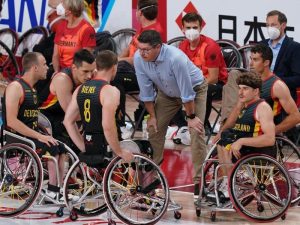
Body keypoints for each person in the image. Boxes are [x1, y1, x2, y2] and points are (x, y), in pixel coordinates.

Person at [134, 30, 208, 198]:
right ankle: (154, 175)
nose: (142, 53)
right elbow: (146, 92)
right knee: (154, 129)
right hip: (167, 93)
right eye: (140, 49)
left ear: (158, 47)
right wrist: (152, 116)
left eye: (146, 50)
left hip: (195, 90)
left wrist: (191, 118)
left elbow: (187, 94)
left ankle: (199, 181)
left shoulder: (176, 58)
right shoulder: (139, 59)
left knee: (196, 132)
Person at [4, 52, 66, 199]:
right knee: (51, 149)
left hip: (30, 135)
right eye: (44, 64)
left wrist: (45, 134)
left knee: (60, 147)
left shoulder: (32, 90)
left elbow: (31, 118)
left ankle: (59, 189)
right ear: (35, 68)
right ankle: (52, 191)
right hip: (15, 136)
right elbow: (11, 121)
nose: (47, 67)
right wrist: (39, 136)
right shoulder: (16, 87)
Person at [63, 50, 134, 164]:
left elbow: (67, 121)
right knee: (140, 149)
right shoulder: (110, 91)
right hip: (106, 148)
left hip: (89, 145)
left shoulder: (80, 89)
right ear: (114, 67)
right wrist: (119, 151)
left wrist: (83, 147)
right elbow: (107, 126)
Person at [216, 71, 275, 197]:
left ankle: (231, 186)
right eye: (239, 88)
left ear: (256, 91)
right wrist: (221, 132)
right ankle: (229, 183)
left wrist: (241, 141)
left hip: (258, 151)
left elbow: (270, 139)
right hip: (245, 149)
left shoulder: (262, 107)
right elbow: (231, 122)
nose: (240, 92)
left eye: (245, 89)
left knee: (226, 144)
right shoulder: (244, 105)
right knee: (223, 139)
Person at [112, 0, 165, 138]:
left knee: (115, 79)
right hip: (130, 71)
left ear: (139, 12)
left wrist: (113, 62)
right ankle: (116, 122)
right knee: (112, 77)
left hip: (144, 76)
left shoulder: (154, 32)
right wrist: (114, 60)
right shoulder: (142, 29)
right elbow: (127, 51)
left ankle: (120, 125)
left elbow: (136, 60)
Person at [179, 12, 228, 133]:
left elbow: (213, 78)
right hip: (193, 84)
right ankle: (182, 126)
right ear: (182, 29)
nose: (191, 31)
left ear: (201, 28)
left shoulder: (210, 46)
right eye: (188, 28)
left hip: (218, 85)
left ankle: (201, 125)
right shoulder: (182, 45)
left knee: (205, 90)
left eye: (195, 27)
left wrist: (189, 86)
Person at [39, 49, 96, 145]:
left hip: (63, 116)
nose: (90, 76)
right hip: (46, 116)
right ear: (74, 68)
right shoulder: (62, 80)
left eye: (92, 71)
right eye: (85, 71)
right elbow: (74, 116)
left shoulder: (90, 75)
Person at [262, 10, 300, 101]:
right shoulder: (262, 45)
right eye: (268, 25)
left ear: (283, 25)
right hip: (259, 89)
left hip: (281, 93)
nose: (270, 28)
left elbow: (298, 78)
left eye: (273, 25)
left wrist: (276, 82)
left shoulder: (294, 47)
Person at [52, 0, 96, 73]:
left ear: (69, 10)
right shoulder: (61, 26)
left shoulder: (87, 29)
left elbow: (86, 60)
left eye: (62, 4)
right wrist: (56, 71)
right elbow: (55, 55)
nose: (59, 6)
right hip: (61, 71)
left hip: (77, 72)